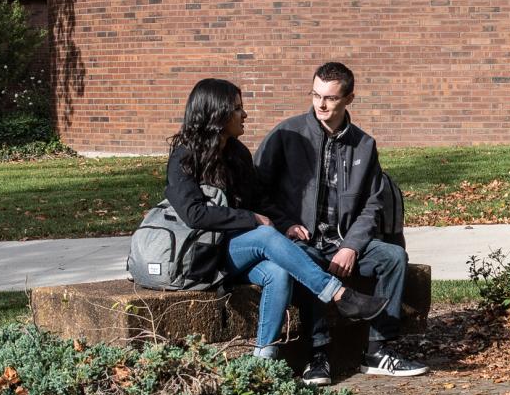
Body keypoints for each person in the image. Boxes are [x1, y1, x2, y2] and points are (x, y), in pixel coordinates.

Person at [163, 78, 390, 364]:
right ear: (217, 113)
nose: (244, 114)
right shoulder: (184, 155)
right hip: (204, 255)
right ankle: (339, 294)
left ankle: (263, 360)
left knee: (277, 273)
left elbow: (259, 199)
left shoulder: (237, 153)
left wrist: (285, 224)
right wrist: (252, 218)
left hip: (238, 254)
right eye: (237, 108)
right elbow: (194, 214)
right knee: (264, 235)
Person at [255, 61, 428, 385]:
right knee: (307, 260)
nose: (321, 104)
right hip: (301, 242)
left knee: (393, 257)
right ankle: (318, 354)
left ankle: (379, 350)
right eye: (316, 95)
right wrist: (285, 223)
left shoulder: (364, 145)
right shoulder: (286, 135)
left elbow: (372, 204)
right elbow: (257, 191)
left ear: (348, 98)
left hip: (344, 242)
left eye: (330, 98)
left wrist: (351, 246)